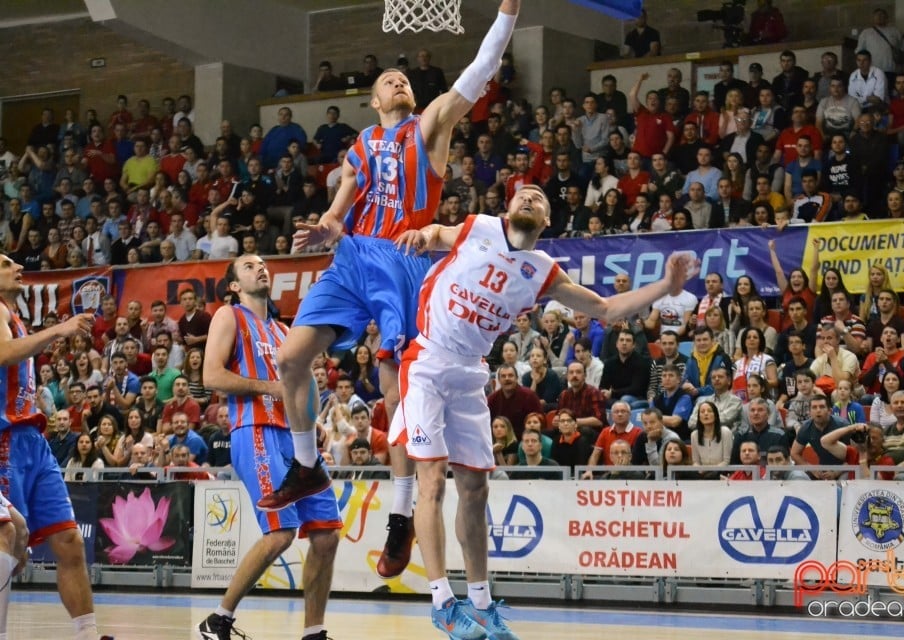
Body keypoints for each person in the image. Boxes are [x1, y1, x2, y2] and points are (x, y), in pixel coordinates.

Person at [262, 0, 525, 585]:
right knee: (290, 358)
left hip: (405, 260)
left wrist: (506, 12)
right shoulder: (360, 145)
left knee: (394, 387)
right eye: (387, 80)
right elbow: (339, 205)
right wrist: (329, 222)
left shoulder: (428, 126)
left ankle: (402, 512)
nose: (397, 80)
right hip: (353, 254)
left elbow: (479, 72)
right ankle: (306, 466)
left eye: (402, 77)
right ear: (374, 101)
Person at [388, 184, 696, 638]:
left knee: (475, 490)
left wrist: (666, 287)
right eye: (522, 195)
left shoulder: (542, 271)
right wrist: (423, 234)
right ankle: (441, 602)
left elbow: (606, 309)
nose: (529, 198)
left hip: (472, 373)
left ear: (547, 219)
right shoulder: (479, 227)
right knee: (431, 479)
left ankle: (482, 605)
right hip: (428, 362)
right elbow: (438, 232)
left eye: (539, 197)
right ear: (507, 207)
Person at [199, 255, 341, 640]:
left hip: (296, 438)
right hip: (255, 429)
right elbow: (210, 375)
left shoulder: (283, 329)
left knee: (327, 533)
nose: (260, 267)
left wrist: (314, 425)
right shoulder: (230, 317)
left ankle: (314, 631)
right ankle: (218, 619)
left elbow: (304, 383)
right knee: (281, 532)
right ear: (233, 285)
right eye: (248, 266)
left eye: (262, 263)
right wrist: (268, 388)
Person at [0, 254, 108, 640]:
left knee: (68, 539)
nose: (17, 268)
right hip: (5, 439)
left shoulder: (15, 317)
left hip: (34, 440)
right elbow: (3, 353)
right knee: (7, 539)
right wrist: (59, 329)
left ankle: (87, 634)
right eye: (5, 263)